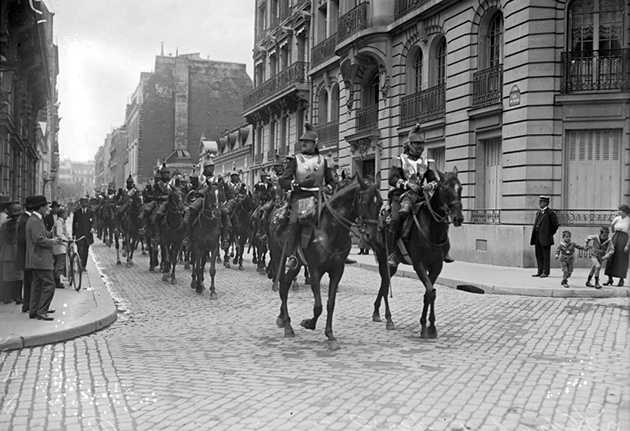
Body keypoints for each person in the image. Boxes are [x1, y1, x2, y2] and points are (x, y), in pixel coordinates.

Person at [279, 123, 335, 270]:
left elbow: (331, 182)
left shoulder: (324, 160)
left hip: (319, 196)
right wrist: (298, 183)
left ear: (315, 143)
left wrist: (327, 188)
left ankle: (338, 251)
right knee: (295, 221)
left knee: (335, 218)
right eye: (302, 141)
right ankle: (291, 255)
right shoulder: (294, 160)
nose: (303, 144)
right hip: (300, 196)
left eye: (306, 141)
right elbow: (283, 181)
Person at [386, 124, 439, 267]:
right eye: (416, 144)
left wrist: (430, 185)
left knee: (438, 215)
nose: (419, 147)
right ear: (409, 145)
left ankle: (441, 250)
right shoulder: (399, 159)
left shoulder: (427, 162)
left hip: (421, 196)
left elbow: (435, 180)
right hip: (401, 196)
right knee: (397, 219)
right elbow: (392, 179)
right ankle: (392, 253)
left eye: (421, 144)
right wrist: (408, 184)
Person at [183, 155, 235, 251]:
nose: (211, 169)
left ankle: (224, 238)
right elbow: (191, 189)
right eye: (209, 167)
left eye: (212, 167)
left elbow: (228, 190)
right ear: (205, 168)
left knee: (225, 213)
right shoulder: (199, 178)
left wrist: (228, 198)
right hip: (202, 199)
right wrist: (196, 192)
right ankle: (188, 236)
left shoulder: (218, 179)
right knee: (192, 210)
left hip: (215, 200)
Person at [26, 195, 63, 321]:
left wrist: (51, 235)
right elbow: (39, 240)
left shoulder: (35, 219)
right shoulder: (36, 221)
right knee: (50, 284)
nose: (47, 208)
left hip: (35, 258)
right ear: (41, 207)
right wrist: (53, 241)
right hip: (40, 258)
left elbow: (41, 235)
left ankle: (34, 310)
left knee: (37, 285)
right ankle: (42, 311)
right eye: (45, 206)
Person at [530, 195, 559, 278]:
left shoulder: (550, 213)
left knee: (545, 255)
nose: (539, 203)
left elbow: (555, 226)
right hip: (537, 237)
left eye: (541, 202)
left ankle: (545, 272)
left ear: (546, 203)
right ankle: (539, 271)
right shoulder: (538, 212)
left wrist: (549, 234)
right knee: (538, 254)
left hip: (545, 238)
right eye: (539, 201)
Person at [0, 203, 23, 304]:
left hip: (5, 252)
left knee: (6, 276)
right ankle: (18, 296)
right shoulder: (20, 226)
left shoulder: (4, 225)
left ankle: (7, 296)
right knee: (18, 276)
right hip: (16, 251)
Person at [603, 204, 630, 287]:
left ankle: (621, 279)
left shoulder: (629, 220)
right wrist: (612, 225)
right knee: (611, 257)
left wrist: (627, 246)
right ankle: (609, 278)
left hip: (624, 239)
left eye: (620, 210)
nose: (618, 212)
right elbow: (612, 229)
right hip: (615, 238)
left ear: (625, 212)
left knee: (622, 259)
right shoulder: (617, 218)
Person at [17, 196, 34, 313]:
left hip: (26, 255)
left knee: (28, 282)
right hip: (27, 255)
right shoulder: (26, 219)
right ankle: (30, 305)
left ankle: (27, 305)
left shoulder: (25, 218)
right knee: (32, 282)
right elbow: (23, 239)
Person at [72, 196, 95, 270]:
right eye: (82, 202)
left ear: (87, 203)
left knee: (85, 250)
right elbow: (74, 223)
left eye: (85, 202)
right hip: (79, 234)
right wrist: (73, 233)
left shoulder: (91, 212)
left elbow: (94, 221)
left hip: (88, 234)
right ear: (80, 203)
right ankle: (80, 264)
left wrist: (93, 228)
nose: (84, 204)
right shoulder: (77, 213)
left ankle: (84, 265)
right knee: (79, 249)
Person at [52, 207, 69, 288]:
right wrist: (66, 240)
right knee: (60, 264)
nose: (67, 215)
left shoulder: (60, 222)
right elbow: (59, 233)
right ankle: (57, 281)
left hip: (59, 246)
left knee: (57, 264)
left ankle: (56, 280)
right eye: (66, 213)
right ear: (62, 214)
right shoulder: (59, 223)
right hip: (60, 246)